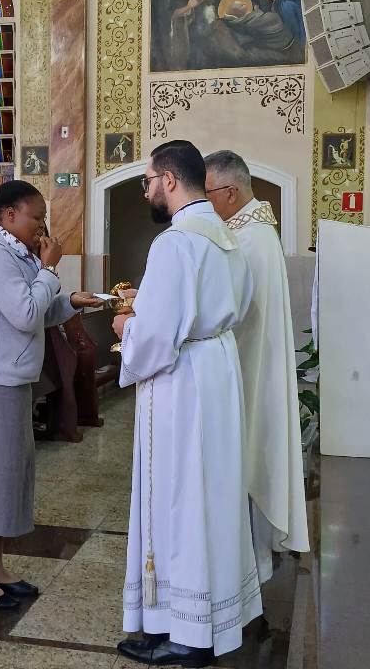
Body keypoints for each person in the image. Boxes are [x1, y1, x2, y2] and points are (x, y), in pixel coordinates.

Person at [113, 142, 262, 667]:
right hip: (217, 370)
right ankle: (208, 619)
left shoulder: (175, 242)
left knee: (180, 498)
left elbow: (158, 336)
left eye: (148, 181)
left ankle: (189, 633)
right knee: (213, 494)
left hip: (183, 382)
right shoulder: (227, 234)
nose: (146, 192)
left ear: (169, 180)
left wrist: (127, 327)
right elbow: (234, 305)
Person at [0, 180, 102, 609]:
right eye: (36, 217)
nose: (42, 226)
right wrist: (49, 270)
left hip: (8, 382)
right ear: (9, 215)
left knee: (6, 477)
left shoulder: (18, 254)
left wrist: (71, 301)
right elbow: (25, 314)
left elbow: (39, 309)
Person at [204, 150, 309, 583]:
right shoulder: (254, 232)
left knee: (245, 461)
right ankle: (252, 561)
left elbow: (223, 309)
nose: (203, 202)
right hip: (251, 362)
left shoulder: (247, 239)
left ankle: (249, 566)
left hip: (247, 368)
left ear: (230, 192)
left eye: (207, 193)